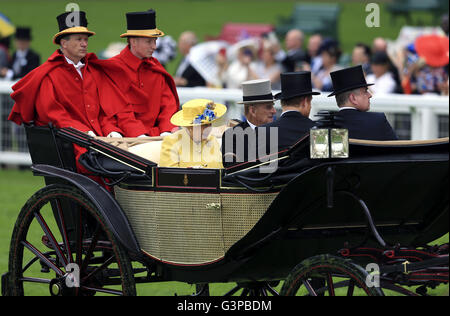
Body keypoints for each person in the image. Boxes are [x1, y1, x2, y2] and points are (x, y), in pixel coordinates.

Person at [8, 11, 147, 173]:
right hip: (71, 144)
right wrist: (86, 133)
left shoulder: (93, 72)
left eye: (86, 39)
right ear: (64, 43)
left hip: (99, 141)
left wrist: (111, 131)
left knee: (133, 162)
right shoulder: (49, 75)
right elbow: (54, 114)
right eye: (79, 39)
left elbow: (104, 111)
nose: (84, 44)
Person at [105, 9, 179, 137]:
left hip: (157, 138)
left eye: (155, 41)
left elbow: (168, 105)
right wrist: (139, 134)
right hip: (123, 141)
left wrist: (166, 130)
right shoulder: (113, 69)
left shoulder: (156, 67)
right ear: (133, 41)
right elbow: (120, 112)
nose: (154, 46)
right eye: (149, 41)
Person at [256, 71, 319, 156]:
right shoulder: (318, 131)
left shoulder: (261, 132)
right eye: (310, 102)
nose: (310, 107)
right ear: (305, 102)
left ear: (282, 102)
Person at [329, 65, 398, 140]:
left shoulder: (325, 126)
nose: (370, 95)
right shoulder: (378, 120)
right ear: (353, 98)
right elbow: (397, 148)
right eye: (365, 91)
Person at [222, 79, 276, 167]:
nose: (274, 111)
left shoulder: (278, 131)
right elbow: (231, 168)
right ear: (253, 110)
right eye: (268, 107)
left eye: (273, 106)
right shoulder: (232, 135)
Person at [159, 99, 226, 168]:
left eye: (210, 124)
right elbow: (168, 175)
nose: (208, 129)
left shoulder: (212, 140)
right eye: (204, 125)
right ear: (189, 127)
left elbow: (220, 172)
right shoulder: (171, 142)